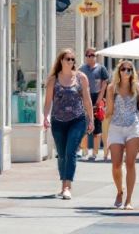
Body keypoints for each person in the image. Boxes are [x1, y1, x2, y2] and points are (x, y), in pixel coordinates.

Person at [42, 48, 93, 200]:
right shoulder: (53, 80)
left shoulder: (81, 77)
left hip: (77, 119)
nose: (70, 62)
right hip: (58, 121)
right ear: (61, 61)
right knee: (62, 154)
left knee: (70, 152)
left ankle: (67, 186)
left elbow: (87, 100)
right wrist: (46, 117)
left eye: (72, 59)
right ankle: (63, 183)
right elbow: (47, 102)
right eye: (67, 59)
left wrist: (91, 119)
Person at [105, 60, 139, 210]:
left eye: (130, 70)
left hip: (133, 127)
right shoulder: (112, 88)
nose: (126, 72)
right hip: (116, 127)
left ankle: (128, 200)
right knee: (116, 165)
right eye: (123, 69)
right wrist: (103, 112)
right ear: (119, 71)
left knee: (130, 164)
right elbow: (109, 110)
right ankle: (119, 191)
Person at [79, 48, 109, 161]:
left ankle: (95, 152)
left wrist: (100, 98)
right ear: (85, 56)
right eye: (89, 55)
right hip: (85, 98)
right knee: (84, 125)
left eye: (93, 55)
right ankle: (84, 150)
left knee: (97, 125)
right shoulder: (81, 69)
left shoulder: (101, 68)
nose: (91, 57)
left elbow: (105, 83)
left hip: (97, 97)